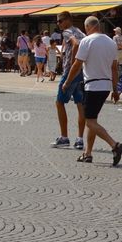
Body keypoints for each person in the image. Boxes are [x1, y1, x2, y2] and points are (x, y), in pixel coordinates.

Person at [67, 16, 122, 166]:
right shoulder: (111, 42)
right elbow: (114, 69)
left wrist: (67, 82)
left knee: (89, 121)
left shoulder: (86, 41)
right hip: (105, 87)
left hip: (92, 86)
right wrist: (116, 90)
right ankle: (88, 153)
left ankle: (114, 145)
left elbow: (77, 64)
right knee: (93, 120)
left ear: (87, 27)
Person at [51, 11, 86, 151]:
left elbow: (76, 44)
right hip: (82, 72)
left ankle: (64, 137)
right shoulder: (80, 32)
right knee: (80, 104)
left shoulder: (67, 32)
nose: (58, 24)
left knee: (59, 102)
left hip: (71, 72)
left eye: (60, 21)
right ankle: (80, 139)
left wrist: (72, 65)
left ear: (67, 20)